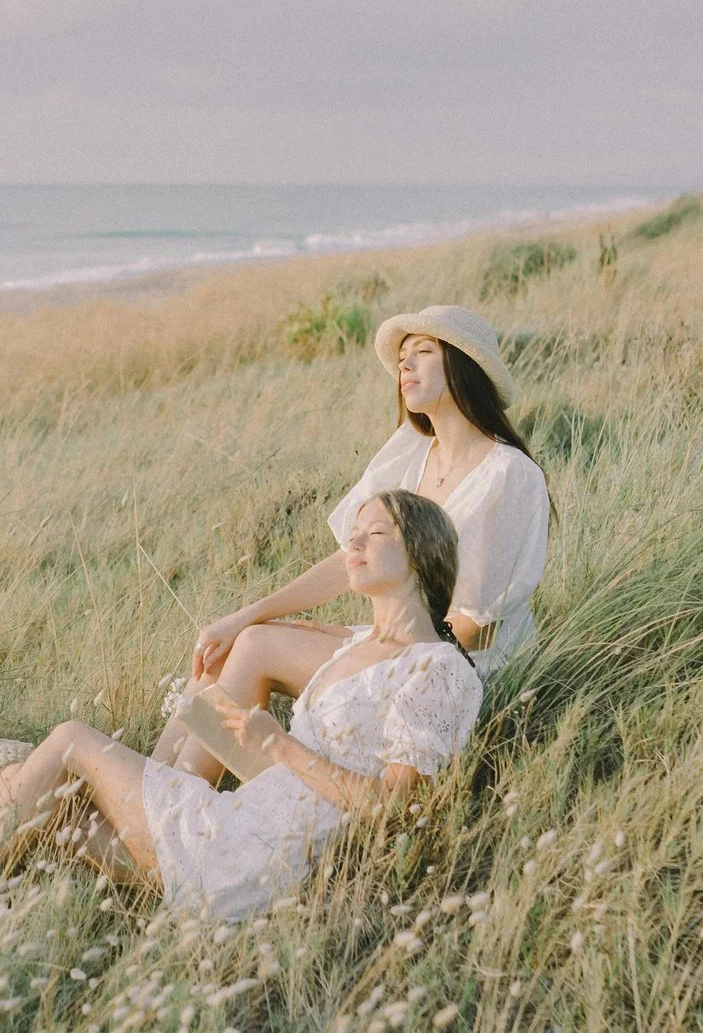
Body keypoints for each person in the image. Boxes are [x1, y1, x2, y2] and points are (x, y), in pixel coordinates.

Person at [0, 490, 483, 920]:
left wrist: (280, 746)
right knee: (35, 793)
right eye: (353, 531)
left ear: (421, 554)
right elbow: (272, 634)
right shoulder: (355, 644)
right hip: (238, 829)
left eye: (374, 533)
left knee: (69, 739)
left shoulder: (438, 670)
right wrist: (239, 633)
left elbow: (399, 812)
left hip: (249, 858)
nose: (352, 543)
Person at [155, 305, 548, 783]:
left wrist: (353, 640)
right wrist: (246, 614)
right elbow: (351, 558)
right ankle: (158, 786)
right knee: (236, 640)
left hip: (452, 670)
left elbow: (473, 627)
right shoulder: (411, 451)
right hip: (396, 639)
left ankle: (177, 810)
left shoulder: (509, 475)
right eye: (403, 357)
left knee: (257, 647)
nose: (405, 366)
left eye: (424, 352)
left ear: (465, 366)